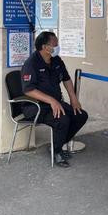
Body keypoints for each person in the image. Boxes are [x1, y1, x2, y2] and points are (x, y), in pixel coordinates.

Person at [21, 31, 88, 168]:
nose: (58, 47)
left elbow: (66, 79)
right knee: (62, 120)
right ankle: (57, 152)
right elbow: (29, 90)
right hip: (36, 106)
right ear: (45, 47)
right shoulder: (31, 63)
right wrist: (51, 100)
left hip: (56, 103)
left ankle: (56, 144)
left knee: (80, 115)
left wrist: (73, 98)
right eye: (55, 44)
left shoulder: (56, 60)